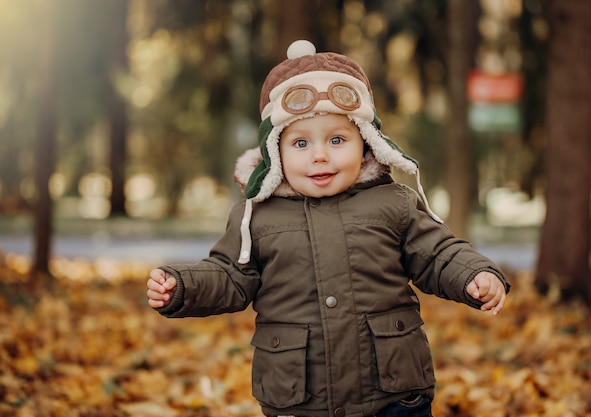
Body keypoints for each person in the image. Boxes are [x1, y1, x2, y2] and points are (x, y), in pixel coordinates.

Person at [147, 40, 510, 417]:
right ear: (276, 152)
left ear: (366, 143)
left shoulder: (393, 203)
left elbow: (438, 253)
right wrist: (183, 286)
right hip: (300, 398)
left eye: (337, 140)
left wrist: (474, 273)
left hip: (393, 394)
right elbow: (229, 275)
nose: (320, 155)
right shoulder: (257, 216)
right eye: (301, 142)